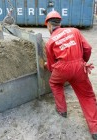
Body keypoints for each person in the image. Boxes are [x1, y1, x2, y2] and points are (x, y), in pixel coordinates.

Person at [44, 10, 97, 140]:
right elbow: (88, 48)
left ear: (49, 25)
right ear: (60, 22)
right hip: (79, 67)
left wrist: (48, 66)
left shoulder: (50, 42)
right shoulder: (75, 31)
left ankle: (62, 110)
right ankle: (95, 129)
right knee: (87, 96)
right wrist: (82, 61)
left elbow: (51, 66)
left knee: (55, 83)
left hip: (62, 69)